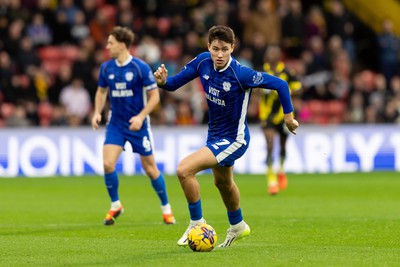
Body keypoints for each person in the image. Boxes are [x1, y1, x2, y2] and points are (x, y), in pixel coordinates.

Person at [154, 25, 298, 248]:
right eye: (215, 49)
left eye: (224, 49)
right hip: (215, 135)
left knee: (184, 170)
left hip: (234, 139)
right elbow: (174, 84)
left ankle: (196, 223)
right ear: (208, 47)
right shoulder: (203, 62)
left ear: (233, 47)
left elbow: (281, 84)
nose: (219, 54)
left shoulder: (241, 74)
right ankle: (238, 225)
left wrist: (288, 118)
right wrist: (163, 82)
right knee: (223, 182)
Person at [91, 26, 176, 226]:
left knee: (150, 169)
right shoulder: (106, 68)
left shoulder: (140, 67)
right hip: (116, 124)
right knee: (107, 164)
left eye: (110, 42)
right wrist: (97, 112)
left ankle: (166, 209)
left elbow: (155, 97)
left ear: (122, 45)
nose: (107, 46)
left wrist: (140, 116)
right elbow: (101, 92)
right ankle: (115, 205)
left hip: (139, 125)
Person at [258, 44, 302, 195]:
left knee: (283, 146)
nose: (272, 55)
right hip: (267, 116)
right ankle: (271, 181)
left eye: (275, 53)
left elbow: (298, 88)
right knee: (269, 145)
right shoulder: (261, 72)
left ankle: (281, 170)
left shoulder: (288, 72)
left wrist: (285, 91)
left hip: (285, 116)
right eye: (270, 53)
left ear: (279, 55)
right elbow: (253, 89)